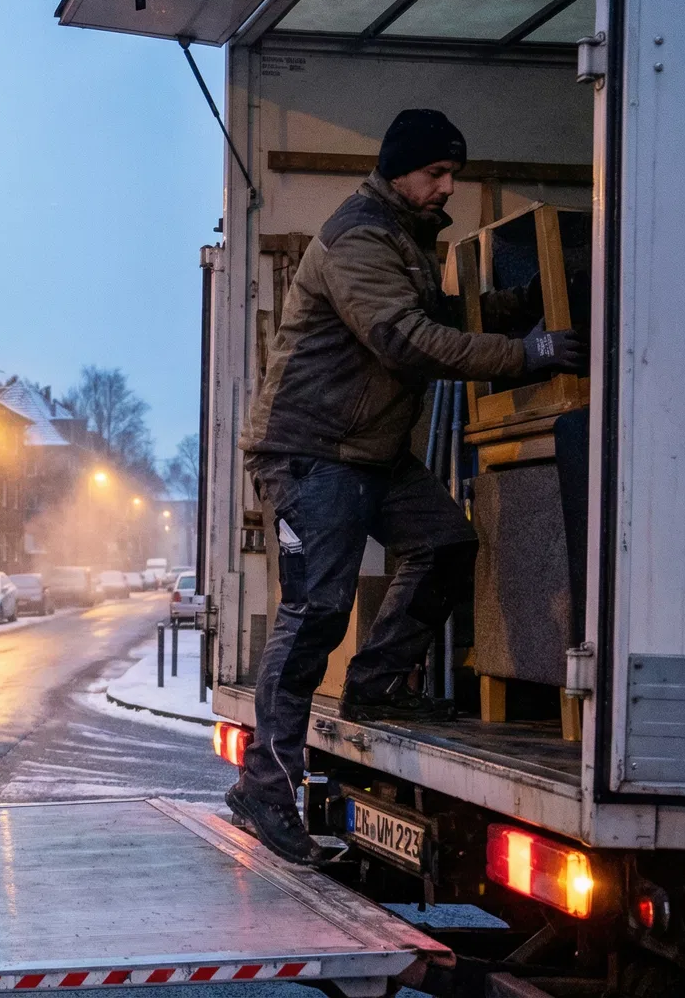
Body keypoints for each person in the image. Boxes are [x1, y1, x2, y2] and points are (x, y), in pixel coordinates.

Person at [230, 108, 586, 865]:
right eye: (437, 173)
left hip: (369, 451)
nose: (447, 186)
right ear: (398, 170)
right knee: (317, 607)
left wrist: (526, 308)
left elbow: (443, 313)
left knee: (446, 542)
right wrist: (527, 356)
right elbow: (406, 338)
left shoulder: (405, 237)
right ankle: (265, 784)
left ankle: (376, 685)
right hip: (311, 452)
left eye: (451, 173)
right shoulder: (359, 236)